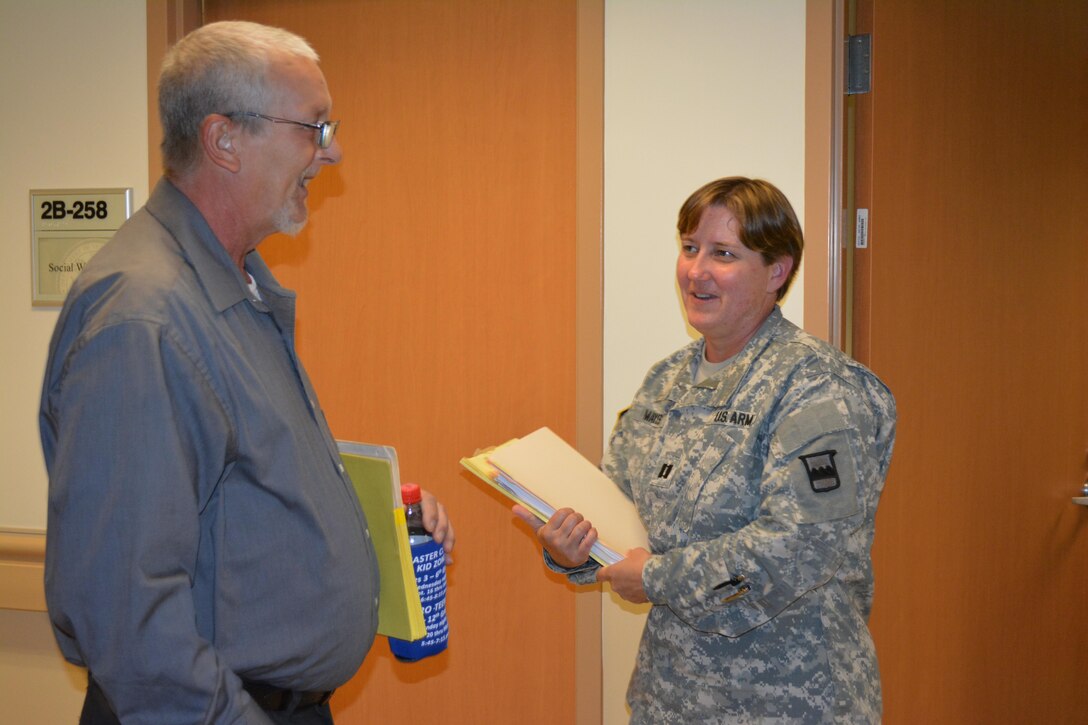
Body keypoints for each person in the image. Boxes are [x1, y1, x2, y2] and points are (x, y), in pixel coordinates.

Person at [39, 21, 454, 725]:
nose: (334, 151)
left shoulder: (233, 284)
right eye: (314, 128)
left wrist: (367, 522)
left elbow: (235, 481)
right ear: (224, 139)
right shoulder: (145, 319)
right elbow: (127, 611)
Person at [515, 177, 895, 723]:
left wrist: (654, 578)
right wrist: (573, 547)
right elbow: (621, 513)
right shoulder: (666, 382)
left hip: (791, 705)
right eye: (690, 248)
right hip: (671, 701)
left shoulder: (819, 386)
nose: (696, 271)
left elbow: (799, 546)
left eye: (723, 254)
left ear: (778, 271)